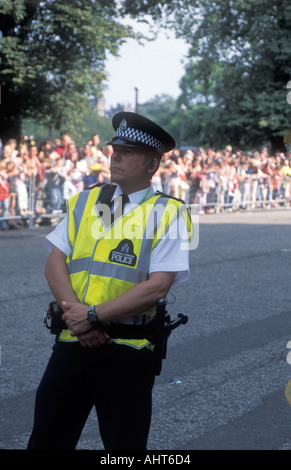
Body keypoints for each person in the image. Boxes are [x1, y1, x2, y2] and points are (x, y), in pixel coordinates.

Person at [27, 112, 192, 451]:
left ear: (152, 164)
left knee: (124, 449)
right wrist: (82, 320)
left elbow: (158, 286)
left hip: (127, 353)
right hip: (72, 343)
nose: (115, 156)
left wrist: (91, 317)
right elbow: (54, 262)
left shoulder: (170, 212)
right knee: (46, 441)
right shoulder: (87, 200)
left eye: (127, 152)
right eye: (114, 149)